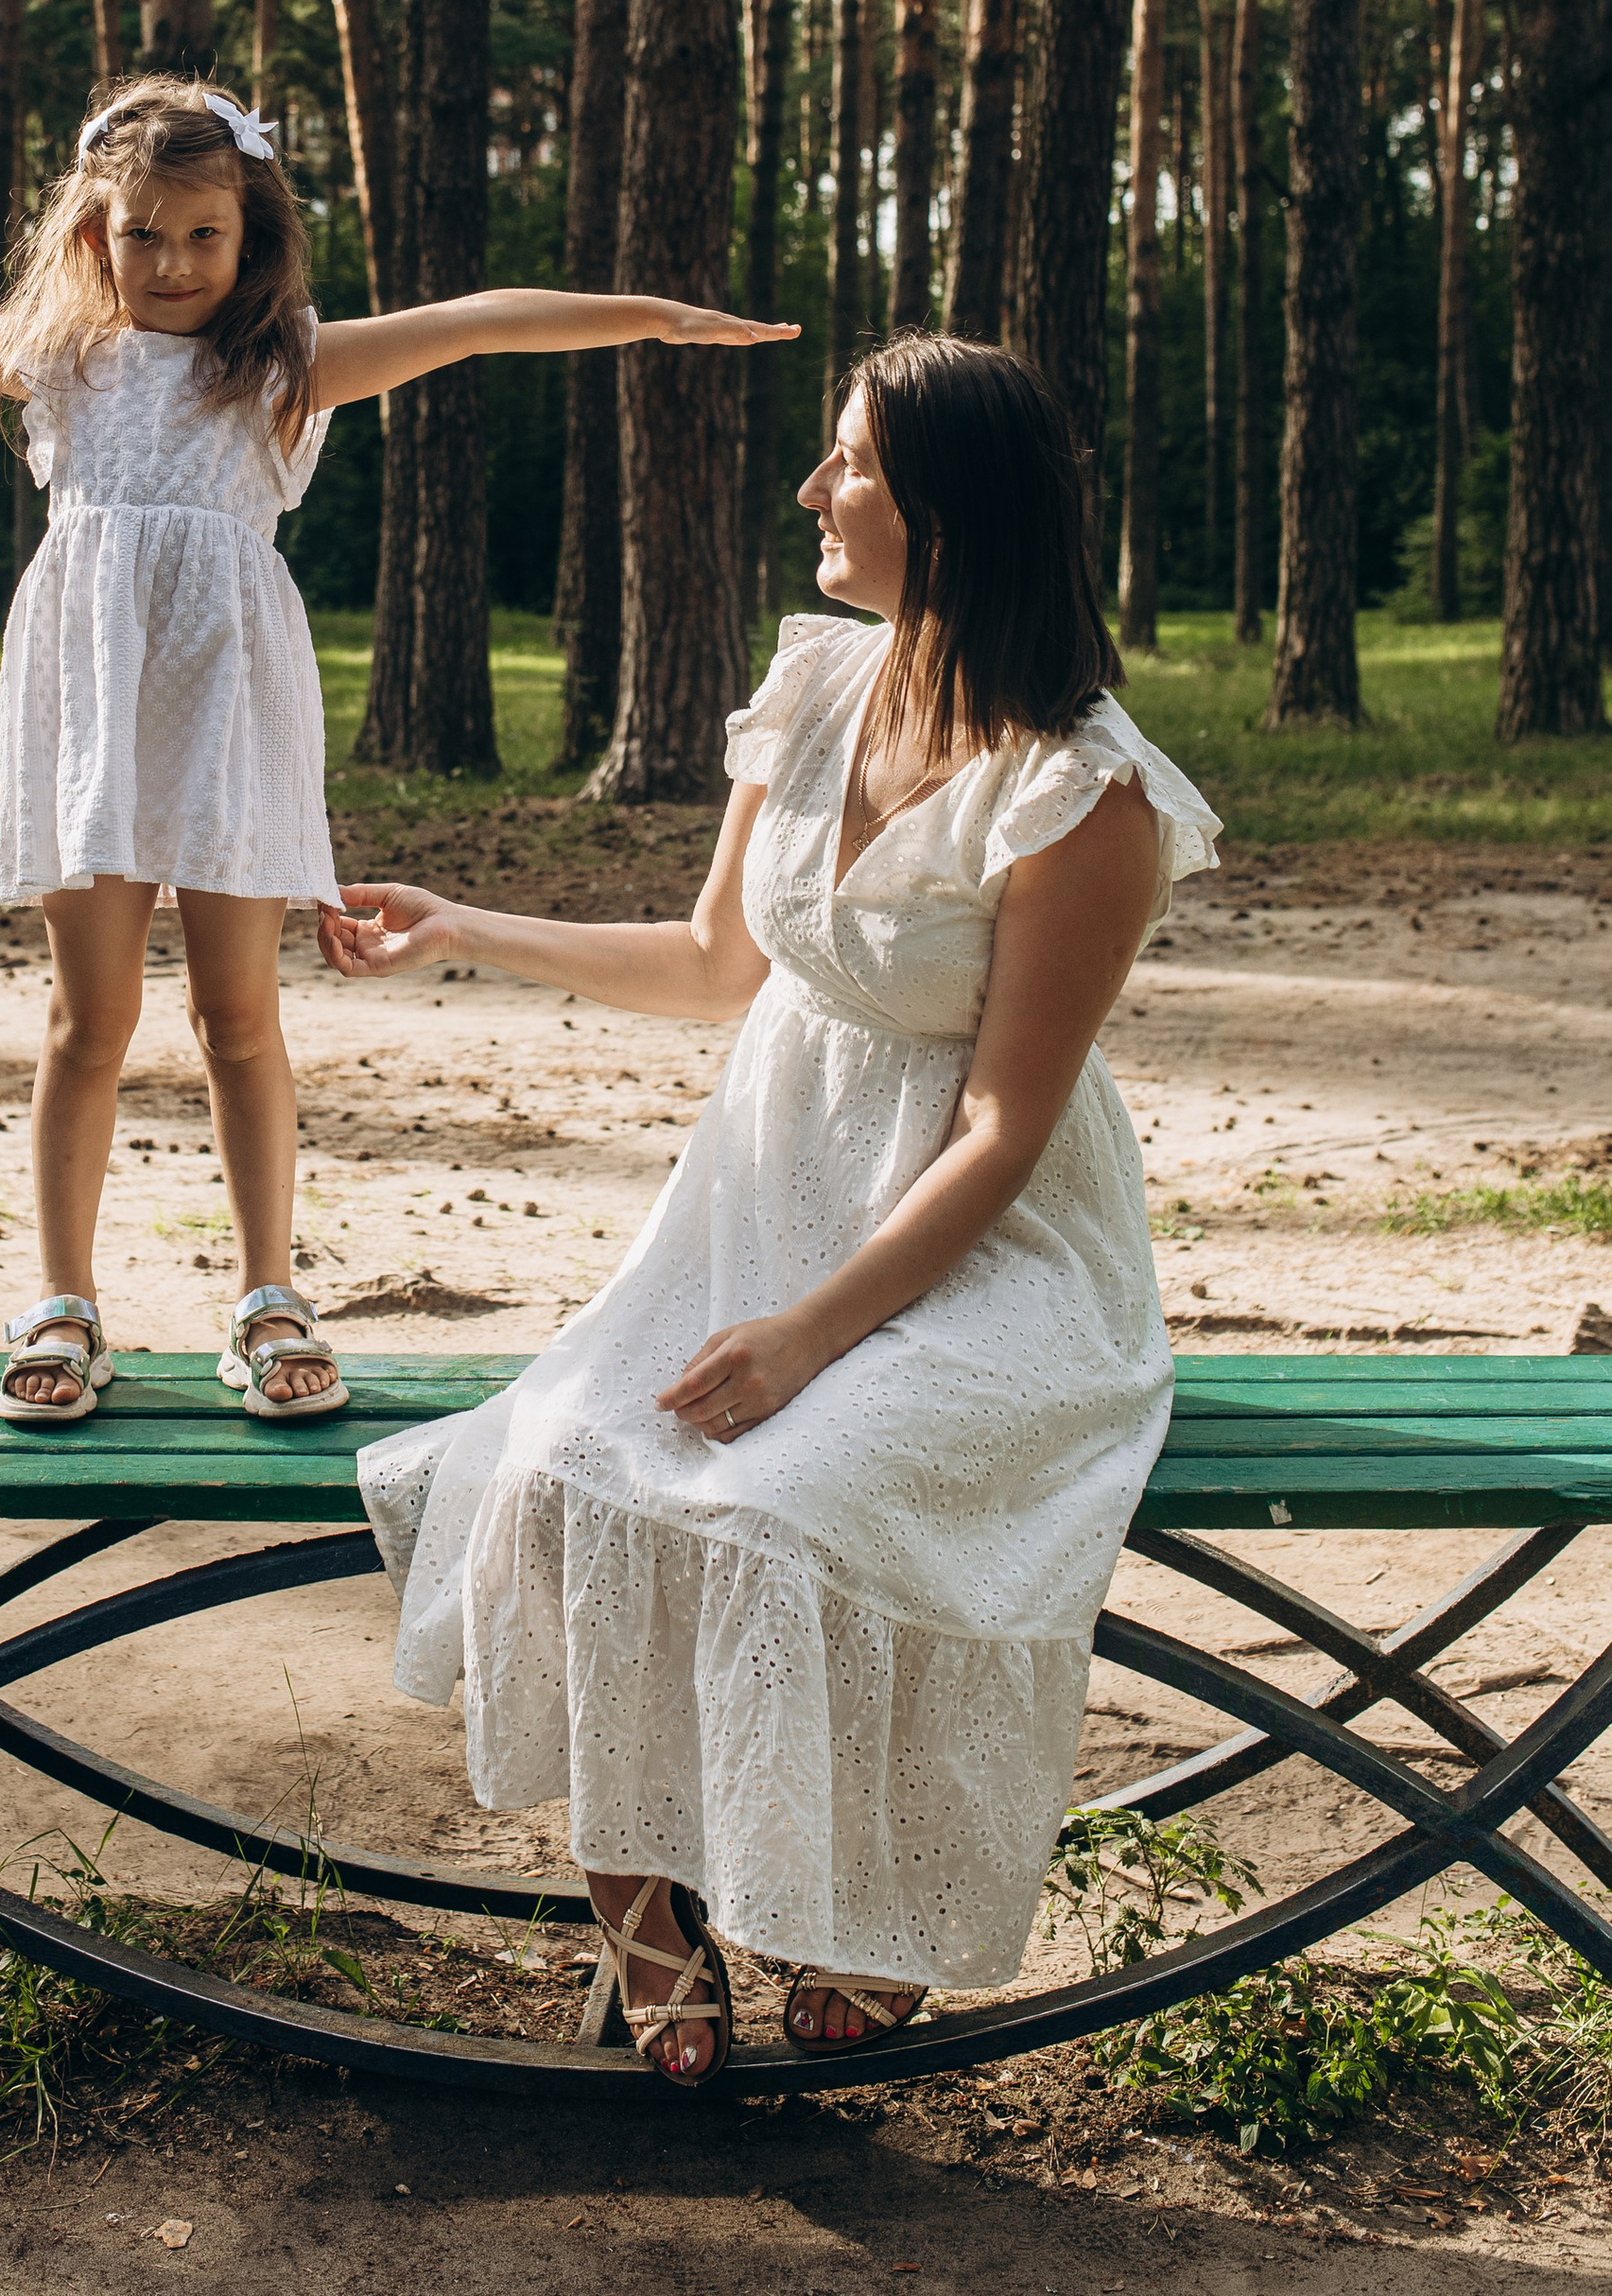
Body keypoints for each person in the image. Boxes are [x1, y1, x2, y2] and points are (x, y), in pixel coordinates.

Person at [0, 74, 794, 1430]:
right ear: (91, 239)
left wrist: (656, 317)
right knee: (89, 1021)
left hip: (234, 709)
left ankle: (267, 1297)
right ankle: (62, 1302)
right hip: (90, 709)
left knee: (240, 1018)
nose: (172, 264)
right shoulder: (54, 358)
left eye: (203, 237)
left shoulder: (290, 366)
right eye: (143, 236)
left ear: (251, 239)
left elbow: (478, 325)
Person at [321, 330, 1220, 2083]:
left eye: (852, 469)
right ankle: (639, 1891)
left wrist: (819, 1336)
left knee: (796, 1509)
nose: (813, 492)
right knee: (568, 1462)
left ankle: (852, 1913)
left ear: (952, 512)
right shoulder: (817, 687)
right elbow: (719, 961)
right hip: (761, 1201)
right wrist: (468, 927)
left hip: (984, 1253)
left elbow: (1002, 1128)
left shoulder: (1084, 793)